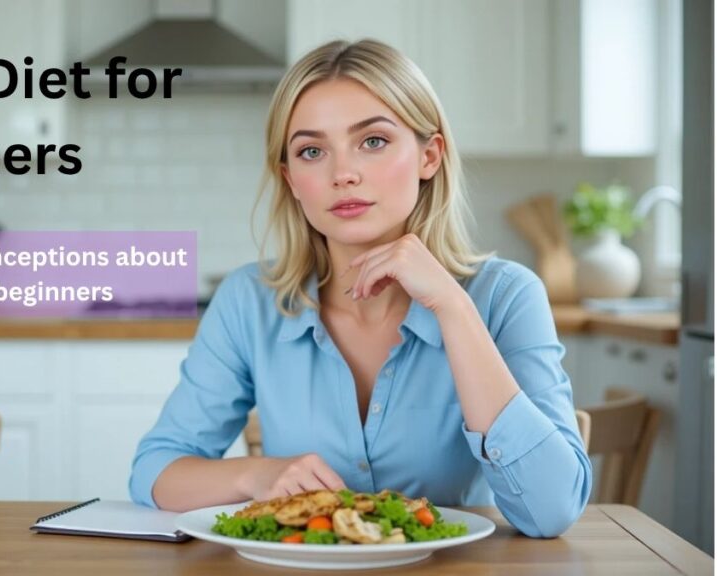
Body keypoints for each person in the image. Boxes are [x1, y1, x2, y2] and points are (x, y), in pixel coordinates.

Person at [129, 39, 591, 538]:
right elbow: (154, 472)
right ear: (290, 179)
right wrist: (255, 473)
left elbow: (551, 513)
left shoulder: (507, 297)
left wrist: (452, 307)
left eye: (372, 141)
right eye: (311, 151)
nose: (342, 174)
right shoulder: (249, 301)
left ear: (429, 156)